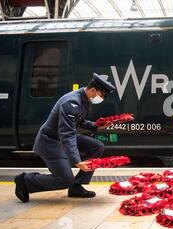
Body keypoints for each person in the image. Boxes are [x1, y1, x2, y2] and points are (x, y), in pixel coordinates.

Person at [14, 73, 116, 202]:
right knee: (64, 180)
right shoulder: (72, 102)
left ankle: (76, 187)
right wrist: (77, 161)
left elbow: (79, 121)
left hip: (63, 137)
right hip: (51, 142)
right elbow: (66, 134)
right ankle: (25, 180)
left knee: (96, 146)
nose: (101, 99)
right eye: (101, 95)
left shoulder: (83, 98)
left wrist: (97, 126)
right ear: (93, 90)